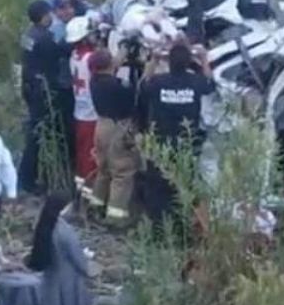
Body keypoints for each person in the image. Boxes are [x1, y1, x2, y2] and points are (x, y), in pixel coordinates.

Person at [137, 43, 215, 239]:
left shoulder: (158, 82)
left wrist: (154, 60)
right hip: (186, 146)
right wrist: (204, 58)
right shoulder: (195, 82)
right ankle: (182, 231)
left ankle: (158, 232)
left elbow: (143, 84)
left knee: (157, 190)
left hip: (161, 145)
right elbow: (210, 84)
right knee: (183, 188)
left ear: (168, 62)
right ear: (189, 63)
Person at [25, 191, 94, 305]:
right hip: (69, 278)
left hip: (51, 278)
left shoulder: (44, 225)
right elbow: (77, 257)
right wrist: (87, 270)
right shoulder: (65, 231)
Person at [19, 0, 74, 195]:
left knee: (35, 134)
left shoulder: (28, 35)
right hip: (44, 92)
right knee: (38, 135)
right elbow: (63, 51)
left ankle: (30, 177)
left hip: (30, 88)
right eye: (49, 14)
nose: (51, 17)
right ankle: (29, 180)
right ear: (43, 17)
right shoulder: (45, 38)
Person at [88, 49, 140, 224]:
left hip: (101, 126)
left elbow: (109, 76)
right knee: (122, 171)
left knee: (104, 169)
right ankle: (115, 217)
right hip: (117, 128)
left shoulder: (94, 81)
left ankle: (95, 206)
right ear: (109, 64)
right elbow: (134, 98)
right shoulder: (118, 85)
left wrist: (117, 61)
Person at [66, 15, 99, 190]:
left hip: (80, 112)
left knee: (82, 155)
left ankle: (81, 189)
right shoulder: (91, 58)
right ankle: (88, 192)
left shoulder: (74, 56)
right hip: (92, 114)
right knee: (91, 157)